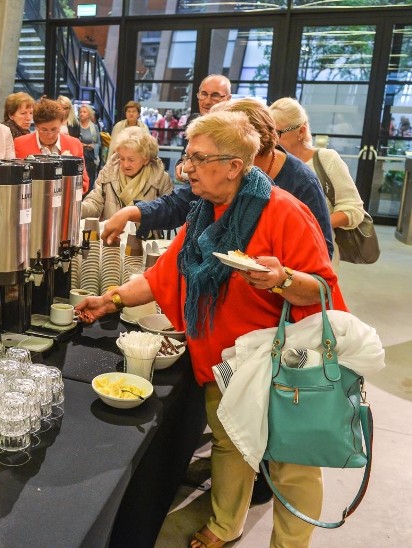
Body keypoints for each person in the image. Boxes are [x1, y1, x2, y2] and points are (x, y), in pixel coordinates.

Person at [76, 110, 345, 548]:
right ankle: (225, 524)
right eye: (187, 157)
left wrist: (282, 279)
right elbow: (165, 274)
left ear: (235, 166)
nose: (187, 169)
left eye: (199, 159)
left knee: (291, 464)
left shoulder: (284, 212)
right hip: (223, 359)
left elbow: (322, 290)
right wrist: (111, 299)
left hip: (282, 364)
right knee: (230, 444)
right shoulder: (205, 212)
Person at [101, 98, 334, 260]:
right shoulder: (219, 171)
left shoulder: (299, 183)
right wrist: (132, 212)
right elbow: (180, 204)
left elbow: (321, 254)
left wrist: (280, 277)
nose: (192, 167)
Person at [270, 97, 366, 267]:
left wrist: (315, 224)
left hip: (316, 251)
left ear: (301, 131)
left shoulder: (326, 159)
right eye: (268, 133)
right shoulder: (268, 162)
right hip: (275, 252)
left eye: (278, 133)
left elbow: (354, 209)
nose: (273, 140)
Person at [81, 127, 172, 220]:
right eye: (122, 158)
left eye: (131, 160)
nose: (125, 164)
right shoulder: (107, 172)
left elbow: (169, 213)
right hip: (112, 233)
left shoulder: (161, 178)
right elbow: (95, 203)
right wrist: (79, 209)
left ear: (146, 159)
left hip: (144, 234)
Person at [13, 97, 89, 192]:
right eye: (44, 130)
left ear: (61, 124)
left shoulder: (74, 144)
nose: (49, 135)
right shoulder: (20, 144)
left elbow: (84, 183)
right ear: (36, 126)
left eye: (54, 129)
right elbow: (15, 182)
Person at [78, 104, 101, 187]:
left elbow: (98, 143)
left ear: (89, 114)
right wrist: (80, 144)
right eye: (80, 112)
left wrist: (93, 146)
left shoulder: (94, 127)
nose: (82, 114)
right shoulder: (76, 126)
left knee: (90, 181)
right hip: (80, 156)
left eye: (84, 112)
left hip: (91, 157)